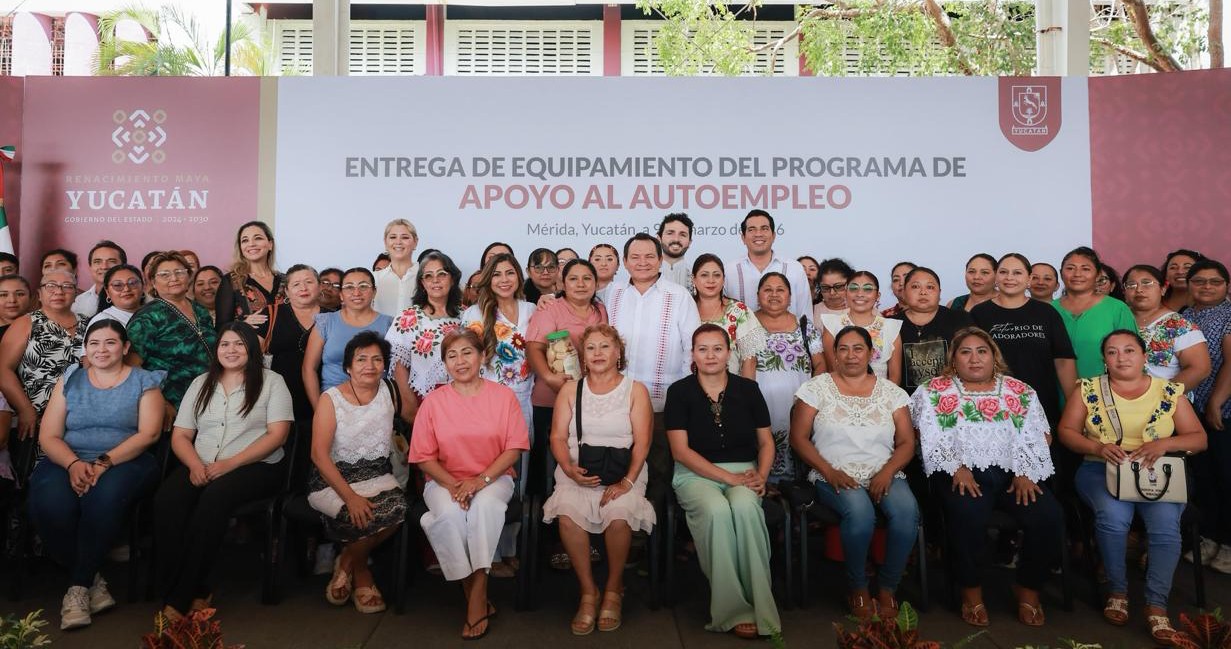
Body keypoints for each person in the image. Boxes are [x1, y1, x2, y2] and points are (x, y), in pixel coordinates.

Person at [1057, 329, 1206, 646]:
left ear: (1143, 356)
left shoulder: (1169, 391)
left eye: (1129, 350)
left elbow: (1198, 439)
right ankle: (1118, 590)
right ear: (1104, 359)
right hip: (1101, 468)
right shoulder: (1088, 389)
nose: (1121, 357)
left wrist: (1164, 444)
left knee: (1166, 525)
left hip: (1156, 472)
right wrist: (1097, 448)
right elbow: (1067, 431)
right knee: (1113, 517)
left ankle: (1156, 604)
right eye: (1112, 352)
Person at [909, 327, 1061, 628]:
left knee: (1048, 515)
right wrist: (956, 467)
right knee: (966, 514)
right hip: (960, 474)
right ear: (954, 359)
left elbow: (1041, 435)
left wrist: (1025, 471)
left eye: (982, 351)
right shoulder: (934, 391)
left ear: (994, 356)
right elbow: (922, 434)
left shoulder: (1019, 390)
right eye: (965, 352)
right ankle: (971, 591)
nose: (974, 358)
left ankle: (1028, 589)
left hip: (1015, 475)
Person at [27, 320, 164, 630]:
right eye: (94, 343)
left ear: (125, 347)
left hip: (127, 460)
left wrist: (104, 462)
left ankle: (77, 587)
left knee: (102, 499)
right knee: (47, 504)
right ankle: (93, 580)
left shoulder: (145, 381)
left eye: (110, 342)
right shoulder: (70, 379)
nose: (102, 349)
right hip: (70, 457)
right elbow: (49, 435)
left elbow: (149, 434)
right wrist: (73, 464)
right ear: (86, 348)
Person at [154, 322, 294, 619]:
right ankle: (195, 588)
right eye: (225, 344)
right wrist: (194, 464)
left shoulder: (272, 382)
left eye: (239, 344)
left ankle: (178, 598)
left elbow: (277, 436)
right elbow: (181, 436)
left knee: (214, 499)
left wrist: (230, 463)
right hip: (202, 462)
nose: (231, 350)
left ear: (251, 349)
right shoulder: (201, 383)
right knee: (167, 501)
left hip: (256, 465)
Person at [409, 329, 529, 641]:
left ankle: (476, 595)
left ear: (482, 356)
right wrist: (454, 485)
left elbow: (514, 448)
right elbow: (423, 457)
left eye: (467, 353)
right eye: (451, 355)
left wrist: (479, 481)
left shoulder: (503, 397)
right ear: (444, 363)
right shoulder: (433, 402)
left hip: (493, 478)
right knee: (449, 515)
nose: (460, 361)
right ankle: (475, 590)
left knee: (484, 508)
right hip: (443, 480)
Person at [791, 326, 918, 620]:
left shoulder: (892, 393)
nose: (851, 355)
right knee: (861, 514)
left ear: (871, 353)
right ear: (834, 354)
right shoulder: (816, 389)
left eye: (858, 348)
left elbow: (907, 443)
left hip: (884, 472)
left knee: (906, 513)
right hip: (833, 472)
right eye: (843, 349)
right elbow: (799, 438)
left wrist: (887, 472)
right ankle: (858, 587)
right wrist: (829, 471)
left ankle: (887, 587)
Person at [665, 324, 778, 639]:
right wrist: (729, 478)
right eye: (702, 349)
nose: (710, 355)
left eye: (717, 348)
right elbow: (680, 451)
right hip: (695, 473)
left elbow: (766, 442)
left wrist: (761, 476)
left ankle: (761, 607)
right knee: (716, 511)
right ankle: (732, 610)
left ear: (729, 353)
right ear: (692, 354)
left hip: (745, 471)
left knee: (745, 509)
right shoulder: (679, 392)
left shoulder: (748, 390)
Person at [542, 324, 655, 635]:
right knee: (567, 517)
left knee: (618, 516)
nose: (597, 353)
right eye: (590, 348)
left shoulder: (636, 390)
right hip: (577, 473)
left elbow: (643, 442)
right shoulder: (570, 390)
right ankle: (588, 592)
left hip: (625, 473)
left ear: (618, 352)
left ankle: (614, 589)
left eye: (605, 346)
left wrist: (627, 482)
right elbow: (557, 437)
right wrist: (568, 468)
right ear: (582, 356)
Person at [309, 331, 406, 614]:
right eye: (361, 359)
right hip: (332, 478)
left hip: (378, 474)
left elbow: (418, 417)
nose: (370, 366)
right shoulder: (331, 399)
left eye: (377, 359)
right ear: (348, 367)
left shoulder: (390, 390)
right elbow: (318, 455)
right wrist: (350, 497)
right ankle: (363, 575)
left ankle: (348, 562)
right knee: (361, 517)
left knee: (397, 510)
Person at [605, 234, 700, 500]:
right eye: (635, 257)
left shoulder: (679, 296)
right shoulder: (612, 293)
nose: (642, 262)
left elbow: (691, 349)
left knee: (659, 471)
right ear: (625, 262)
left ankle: (657, 523)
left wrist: (683, 397)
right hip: (618, 401)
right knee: (619, 466)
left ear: (660, 260)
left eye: (649, 256)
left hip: (664, 403)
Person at [526, 259, 608, 497]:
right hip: (551, 396)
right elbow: (533, 347)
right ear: (562, 283)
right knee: (546, 460)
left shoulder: (600, 310)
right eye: (573, 279)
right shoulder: (550, 308)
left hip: (589, 398)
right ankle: (545, 511)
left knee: (579, 454)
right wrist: (548, 377)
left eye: (587, 278)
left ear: (596, 283)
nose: (580, 284)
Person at [971, 253, 1076, 426]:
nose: (1009, 278)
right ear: (996, 277)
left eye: (1017, 273)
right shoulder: (979, 313)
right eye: (1003, 272)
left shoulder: (1046, 312)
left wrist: (1073, 406)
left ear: (1029, 279)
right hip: (993, 406)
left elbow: (1063, 361)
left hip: (1042, 404)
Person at [0, 268, 89, 440]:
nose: (59, 291)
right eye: (51, 286)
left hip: (83, 417)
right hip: (38, 419)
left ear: (76, 294)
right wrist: (25, 409)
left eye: (67, 286)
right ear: (39, 294)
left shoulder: (90, 323)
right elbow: (3, 370)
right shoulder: (26, 323)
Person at [1182, 259, 1231, 572]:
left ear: (1227, 285)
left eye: (1215, 281)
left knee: (1227, 476)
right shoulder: (1185, 316)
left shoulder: (1229, 314)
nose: (1207, 287)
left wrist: (1216, 401)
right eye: (1199, 281)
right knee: (1205, 477)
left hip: (1223, 409)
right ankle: (1210, 537)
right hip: (1192, 410)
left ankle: (1228, 544)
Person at [127, 252, 218, 420]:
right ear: (153, 282)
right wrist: (161, 402)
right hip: (172, 403)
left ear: (188, 276)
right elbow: (132, 367)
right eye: (164, 274)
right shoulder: (147, 317)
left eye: (179, 272)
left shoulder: (200, 310)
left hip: (210, 397)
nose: (174, 278)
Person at [752, 272, 823, 482]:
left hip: (799, 407)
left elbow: (820, 364)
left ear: (790, 297)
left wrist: (810, 399)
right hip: (758, 406)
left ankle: (796, 493)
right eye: (768, 290)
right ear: (758, 296)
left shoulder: (805, 327)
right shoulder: (746, 325)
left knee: (798, 454)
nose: (774, 295)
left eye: (780, 290)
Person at [257, 265, 321, 478]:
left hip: (322, 397)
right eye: (296, 284)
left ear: (319, 286)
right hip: (279, 398)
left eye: (309, 282)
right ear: (286, 290)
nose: (303, 288)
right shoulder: (271, 314)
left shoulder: (333, 316)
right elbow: (251, 356)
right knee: (284, 458)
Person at [303, 268, 394, 409]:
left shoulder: (390, 324)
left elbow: (397, 372)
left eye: (363, 286)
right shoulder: (326, 322)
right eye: (349, 287)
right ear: (341, 294)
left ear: (374, 291)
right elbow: (308, 369)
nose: (356, 293)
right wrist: (319, 409)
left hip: (378, 405)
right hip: (332, 404)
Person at [384, 252, 463, 406]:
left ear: (452, 279)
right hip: (422, 399)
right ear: (422, 283)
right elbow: (399, 369)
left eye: (442, 274)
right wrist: (411, 409)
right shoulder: (407, 318)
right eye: (428, 276)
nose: (435, 280)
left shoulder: (466, 316)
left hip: (464, 396)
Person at [1054, 247, 1136, 379]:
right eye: (1070, 268)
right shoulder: (1048, 310)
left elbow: (1132, 356)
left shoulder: (1117, 309)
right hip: (1052, 389)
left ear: (1097, 275)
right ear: (1061, 273)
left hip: (1104, 388)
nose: (1077, 274)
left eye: (1085, 269)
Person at [1123, 264, 1210, 385]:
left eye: (1147, 283)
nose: (1139, 289)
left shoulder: (1179, 325)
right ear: (1124, 292)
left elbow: (1200, 369)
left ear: (1163, 289)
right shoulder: (1116, 318)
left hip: (1163, 395)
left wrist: (1163, 393)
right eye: (1131, 285)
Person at [892, 266, 971, 395]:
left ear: (939, 293)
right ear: (904, 292)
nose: (923, 292)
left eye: (930, 287)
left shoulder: (960, 319)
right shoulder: (891, 324)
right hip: (905, 400)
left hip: (953, 398)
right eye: (915, 287)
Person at [820, 271, 903, 383]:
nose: (860, 294)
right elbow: (833, 371)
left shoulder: (891, 327)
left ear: (877, 296)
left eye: (868, 289)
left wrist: (880, 394)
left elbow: (895, 378)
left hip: (882, 392)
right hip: (841, 391)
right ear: (845, 293)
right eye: (854, 288)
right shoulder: (831, 324)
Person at [725, 210, 810, 318]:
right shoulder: (729, 271)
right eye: (751, 229)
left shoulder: (794, 269)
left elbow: (805, 315)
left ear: (773, 236)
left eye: (764, 229)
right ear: (743, 238)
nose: (758, 234)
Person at [692, 253, 764, 378]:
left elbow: (749, 361)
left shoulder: (739, 311)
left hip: (731, 386)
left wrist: (747, 389)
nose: (711, 280)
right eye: (704, 275)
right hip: (688, 385)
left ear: (723, 279)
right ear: (694, 279)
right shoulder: (684, 308)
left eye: (717, 275)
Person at [214, 221, 285, 329]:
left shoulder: (286, 280)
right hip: (248, 340)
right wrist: (242, 324)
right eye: (245, 240)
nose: (251, 244)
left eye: (258, 238)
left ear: (270, 244)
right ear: (241, 248)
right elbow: (221, 327)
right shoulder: (231, 281)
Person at [372, 219, 419, 317]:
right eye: (393, 237)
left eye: (405, 237)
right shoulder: (374, 279)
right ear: (385, 242)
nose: (398, 242)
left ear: (415, 242)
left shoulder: (425, 277)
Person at [72, 241, 126, 318]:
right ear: (90, 267)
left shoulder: (136, 299)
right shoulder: (78, 302)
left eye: (112, 261)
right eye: (97, 262)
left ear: (124, 266)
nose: (104, 267)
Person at [88, 264, 144, 329]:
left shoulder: (153, 312)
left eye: (132, 283)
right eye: (118, 285)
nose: (126, 289)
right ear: (107, 292)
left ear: (143, 286)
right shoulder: (101, 320)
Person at [657, 212, 694, 292]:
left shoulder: (696, 276)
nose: (676, 239)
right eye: (670, 233)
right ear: (659, 239)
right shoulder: (646, 274)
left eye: (682, 235)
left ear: (689, 242)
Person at [0, 274, 32, 339]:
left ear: (30, 297)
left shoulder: (44, 328)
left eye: (20, 294)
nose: (12, 300)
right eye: (3, 295)